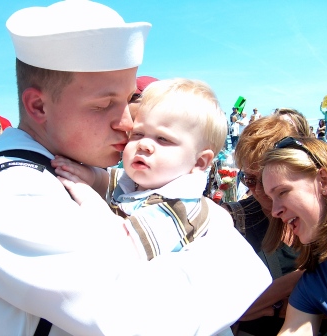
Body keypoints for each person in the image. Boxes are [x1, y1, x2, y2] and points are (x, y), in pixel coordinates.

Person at [0, 2, 271, 335]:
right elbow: (143, 319)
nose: (127, 124)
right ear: (38, 106)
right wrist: (234, 253)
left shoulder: (46, 173)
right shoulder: (14, 193)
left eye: (129, 100)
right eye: (104, 104)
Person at [53, 78, 231, 260]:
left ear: (199, 162)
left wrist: (88, 198)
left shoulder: (179, 206)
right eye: (137, 134)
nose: (144, 144)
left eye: (163, 139)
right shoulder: (138, 181)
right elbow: (107, 180)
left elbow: (123, 246)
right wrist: (87, 175)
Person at [225, 115, 327, 336]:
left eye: (263, 179)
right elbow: (232, 309)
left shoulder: (318, 219)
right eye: (248, 179)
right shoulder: (235, 219)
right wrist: (306, 279)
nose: (255, 189)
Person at [261, 137, 327, 335]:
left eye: (283, 192)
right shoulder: (317, 282)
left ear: (323, 180)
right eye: (271, 199)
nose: (275, 211)